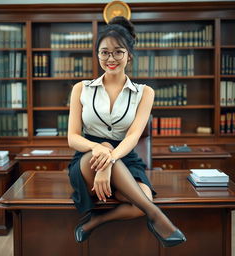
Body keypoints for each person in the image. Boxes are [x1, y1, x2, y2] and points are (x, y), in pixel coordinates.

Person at [68, 16, 186, 247]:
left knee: (142, 201)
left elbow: (133, 136)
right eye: (104, 52)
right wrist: (100, 149)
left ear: (129, 54)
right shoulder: (81, 89)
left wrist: (110, 158)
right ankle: (158, 217)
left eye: (118, 52)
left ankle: (93, 222)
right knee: (141, 199)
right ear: (97, 54)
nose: (110, 58)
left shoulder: (145, 93)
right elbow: (73, 138)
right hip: (87, 158)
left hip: (125, 157)